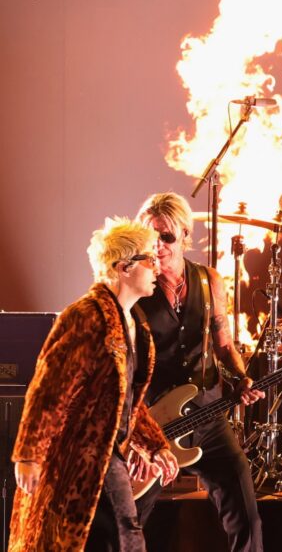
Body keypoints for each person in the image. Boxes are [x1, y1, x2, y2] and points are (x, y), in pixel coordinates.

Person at [10, 217, 179, 551]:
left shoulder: (134, 325)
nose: (157, 267)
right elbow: (48, 389)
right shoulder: (86, 315)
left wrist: (155, 444)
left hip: (106, 458)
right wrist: (29, 455)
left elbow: (125, 400)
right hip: (77, 458)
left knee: (120, 538)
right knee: (121, 538)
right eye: (149, 259)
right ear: (124, 267)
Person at [132, 192, 265, 552]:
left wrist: (240, 378)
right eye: (151, 237)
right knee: (131, 521)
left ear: (186, 238)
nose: (158, 246)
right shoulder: (135, 287)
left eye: (167, 237)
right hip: (156, 424)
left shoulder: (209, 281)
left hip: (207, 414)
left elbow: (224, 345)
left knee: (246, 517)